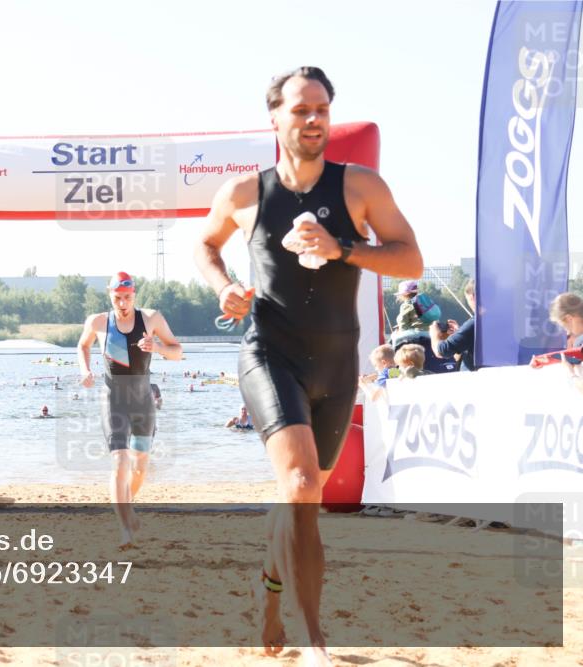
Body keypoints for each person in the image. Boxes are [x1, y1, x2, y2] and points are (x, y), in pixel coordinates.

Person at [194, 66, 423, 663]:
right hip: (269, 350)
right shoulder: (247, 194)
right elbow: (205, 244)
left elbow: (411, 261)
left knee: (303, 497)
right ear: (274, 118)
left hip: (336, 360)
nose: (314, 119)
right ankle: (316, 642)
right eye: (301, 110)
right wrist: (223, 286)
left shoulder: (360, 187)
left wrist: (344, 247)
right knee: (298, 485)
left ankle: (268, 597)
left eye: (322, 108)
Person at [77, 271, 183, 547]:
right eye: (117, 298)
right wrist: (85, 369)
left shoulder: (151, 319)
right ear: (110, 296)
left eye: (127, 297)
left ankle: (127, 506)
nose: (122, 303)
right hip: (112, 398)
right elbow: (83, 345)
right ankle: (125, 527)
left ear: (134, 295)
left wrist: (157, 347)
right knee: (119, 461)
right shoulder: (98, 322)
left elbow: (177, 351)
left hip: (143, 401)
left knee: (139, 469)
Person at [430, 279, 477, 372]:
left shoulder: (474, 325)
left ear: (472, 297)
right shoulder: (503, 321)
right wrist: (460, 332)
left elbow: (442, 351)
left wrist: (434, 334)